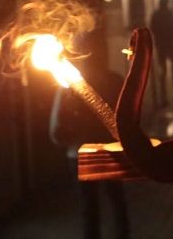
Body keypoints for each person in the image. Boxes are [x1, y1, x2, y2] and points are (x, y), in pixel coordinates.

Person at [49, 67, 130, 239]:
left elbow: (56, 132)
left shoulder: (67, 83)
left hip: (80, 155)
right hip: (109, 151)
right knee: (117, 201)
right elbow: (128, 117)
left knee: (89, 208)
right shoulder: (114, 80)